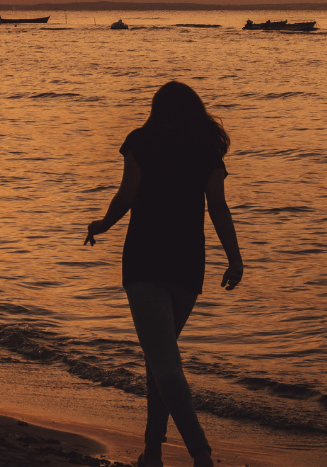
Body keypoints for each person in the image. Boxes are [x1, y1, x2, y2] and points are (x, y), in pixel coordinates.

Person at [84, 81, 243, 467]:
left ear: (157, 109)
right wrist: (235, 259)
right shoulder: (207, 150)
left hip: (145, 260)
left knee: (164, 362)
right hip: (188, 263)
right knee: (160, 356)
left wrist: (104, 224)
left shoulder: (142, 140)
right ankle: (152, 451)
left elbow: (128, 193)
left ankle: (200, 454)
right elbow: (218, 208)